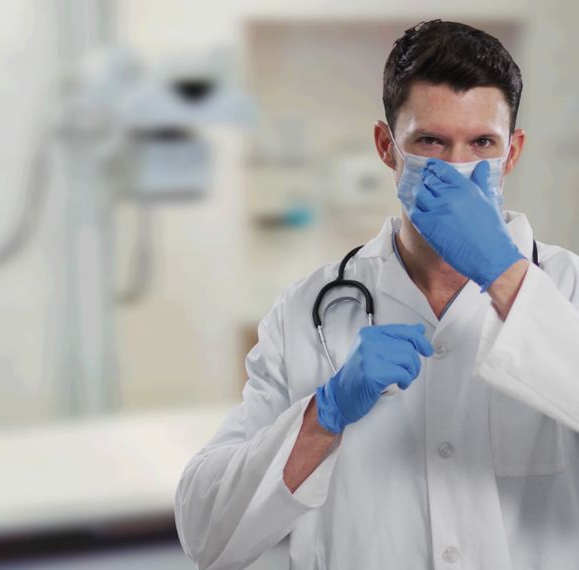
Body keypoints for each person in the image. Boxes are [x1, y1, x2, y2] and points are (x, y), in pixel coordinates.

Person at [175, 20, 579, 569]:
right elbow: (206, 533)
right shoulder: (307, 314)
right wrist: (325, 414)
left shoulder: (568, 289)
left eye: (482, 142)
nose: (458, 168)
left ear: (512, 153)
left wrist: (504, 274)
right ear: (387, 148)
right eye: (430, 141)